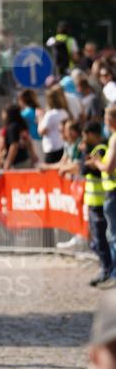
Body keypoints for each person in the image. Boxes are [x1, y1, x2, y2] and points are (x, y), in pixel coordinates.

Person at [88, 105, 116, 289]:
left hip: (113, 192)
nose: (104, 121)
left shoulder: (114, 138)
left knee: (113, 235)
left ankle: (114, 274)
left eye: (106, 117)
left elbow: (109, 167)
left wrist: (97, 162)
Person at [82, 120, 112, 288]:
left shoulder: (102, 148)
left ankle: (107, 271)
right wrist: (87, 161)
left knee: (103, 239)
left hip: (101, 201)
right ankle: (106, 269)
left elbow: (88, 169)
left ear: (92, 134)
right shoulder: (94, 150)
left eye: (85, 135)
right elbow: (84, 167)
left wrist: (91, 163)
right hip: (95, 202)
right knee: (97, 240)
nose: (83, 139)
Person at [0, 104, 36, 170]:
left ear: (8, 114)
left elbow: (14, 146)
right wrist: (33, 156)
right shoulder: (21, 125)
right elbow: (28, 142)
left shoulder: (12, 127)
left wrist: (8, 162)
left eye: (3, 112)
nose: (2, 115)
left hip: (17, 163)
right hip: (24, 160)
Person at [40, 86, 71, 165]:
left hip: (52, 147)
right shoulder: (64, 112)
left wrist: (40, 118)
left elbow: (42, 132)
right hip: (61, 146)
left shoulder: (50, 115)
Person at [18, 89, 44, 162]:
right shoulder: (38, 110)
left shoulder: (24, 114)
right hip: (41, 140)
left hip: (31, 142)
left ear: (23, 99)